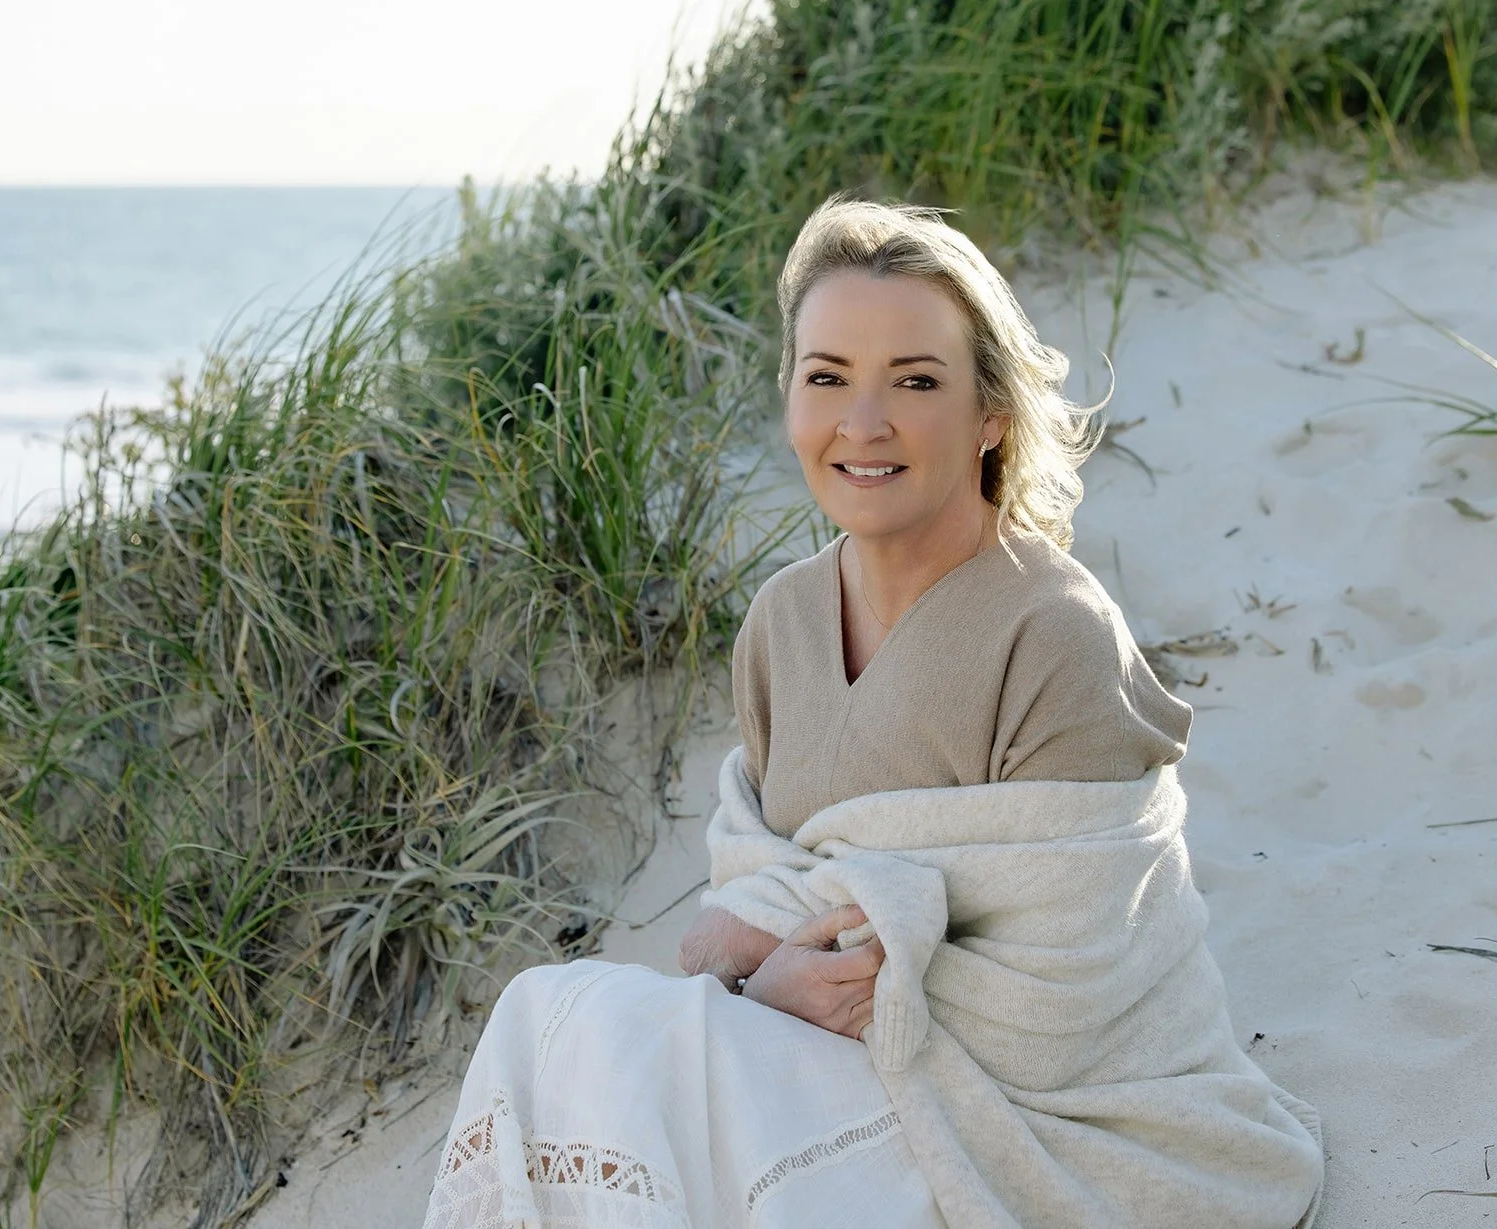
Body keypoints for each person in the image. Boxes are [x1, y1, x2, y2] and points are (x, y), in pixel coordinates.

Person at [422, 198, 1324, 1229]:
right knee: (551, 1017)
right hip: (822, 1056)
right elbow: (750, 891)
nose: (864, 422)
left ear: (991, 412)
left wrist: (803, 985)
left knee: (640, 1061)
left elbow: (1068, 997)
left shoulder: (1054, 631)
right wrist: (777, 989)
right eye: (828, 377)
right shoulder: (781, 620)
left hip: (1029, 1118)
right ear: (791, 397)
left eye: (916, 380)